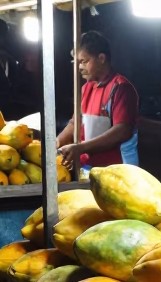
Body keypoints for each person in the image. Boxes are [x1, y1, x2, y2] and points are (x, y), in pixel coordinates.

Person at [57, 31, 139, 176]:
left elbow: (122, 131)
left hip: (118, 171)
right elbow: (74, 123)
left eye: (84, 61)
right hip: (88, 169)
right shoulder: (86, 88)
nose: (79, 67)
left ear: (101, 58)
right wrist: (56, 144)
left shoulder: (120, 88)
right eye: (77, 63)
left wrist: (80, 148)